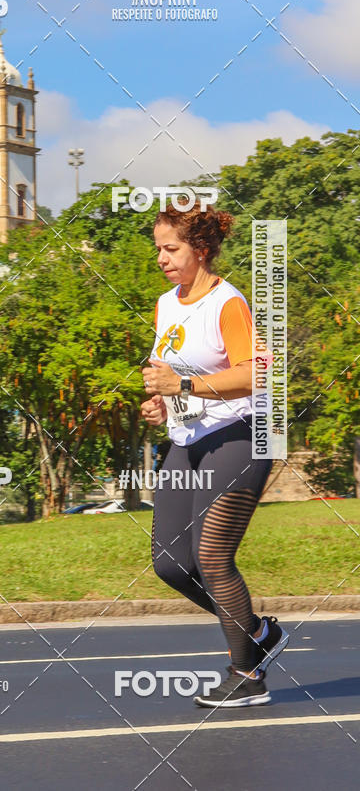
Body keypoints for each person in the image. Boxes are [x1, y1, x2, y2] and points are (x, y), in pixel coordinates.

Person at [141, 202, 288, 708]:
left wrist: (181, 382)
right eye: (158, 248)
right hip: (188, 439)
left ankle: (247, 674)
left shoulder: (229, 303)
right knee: (170, 564)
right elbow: (165, 365)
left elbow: (256, 373)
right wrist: (161, 401)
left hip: (241, 436)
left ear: (200, 249)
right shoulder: (166, 303)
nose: (161, 257)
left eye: (171, 248)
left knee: (212, 556)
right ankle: (257, 631)